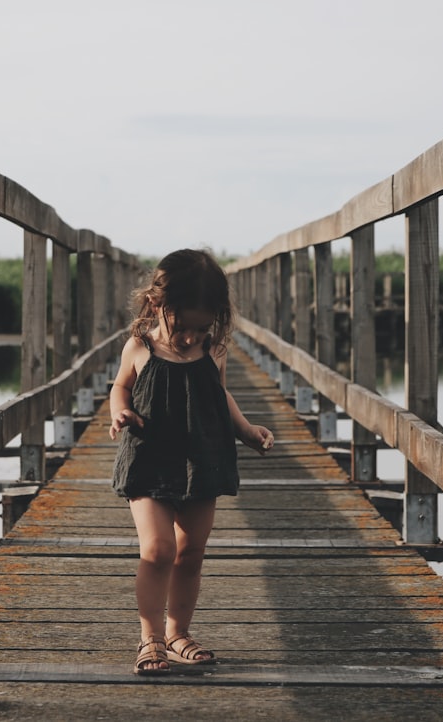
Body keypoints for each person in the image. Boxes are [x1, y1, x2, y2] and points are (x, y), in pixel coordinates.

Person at [109, 248, 274, 676]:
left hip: (203, 457)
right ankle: (151, 638)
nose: (190, 339)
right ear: (158, 305)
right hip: (148, 456)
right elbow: (120, 388)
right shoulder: (139, 346)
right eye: (183, 328)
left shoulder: (213, 350)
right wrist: (119, 412)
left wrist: (247, 430)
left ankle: (178, 633)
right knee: (158, 549)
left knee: (191, 552)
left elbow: (220, 396)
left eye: (201, 330)